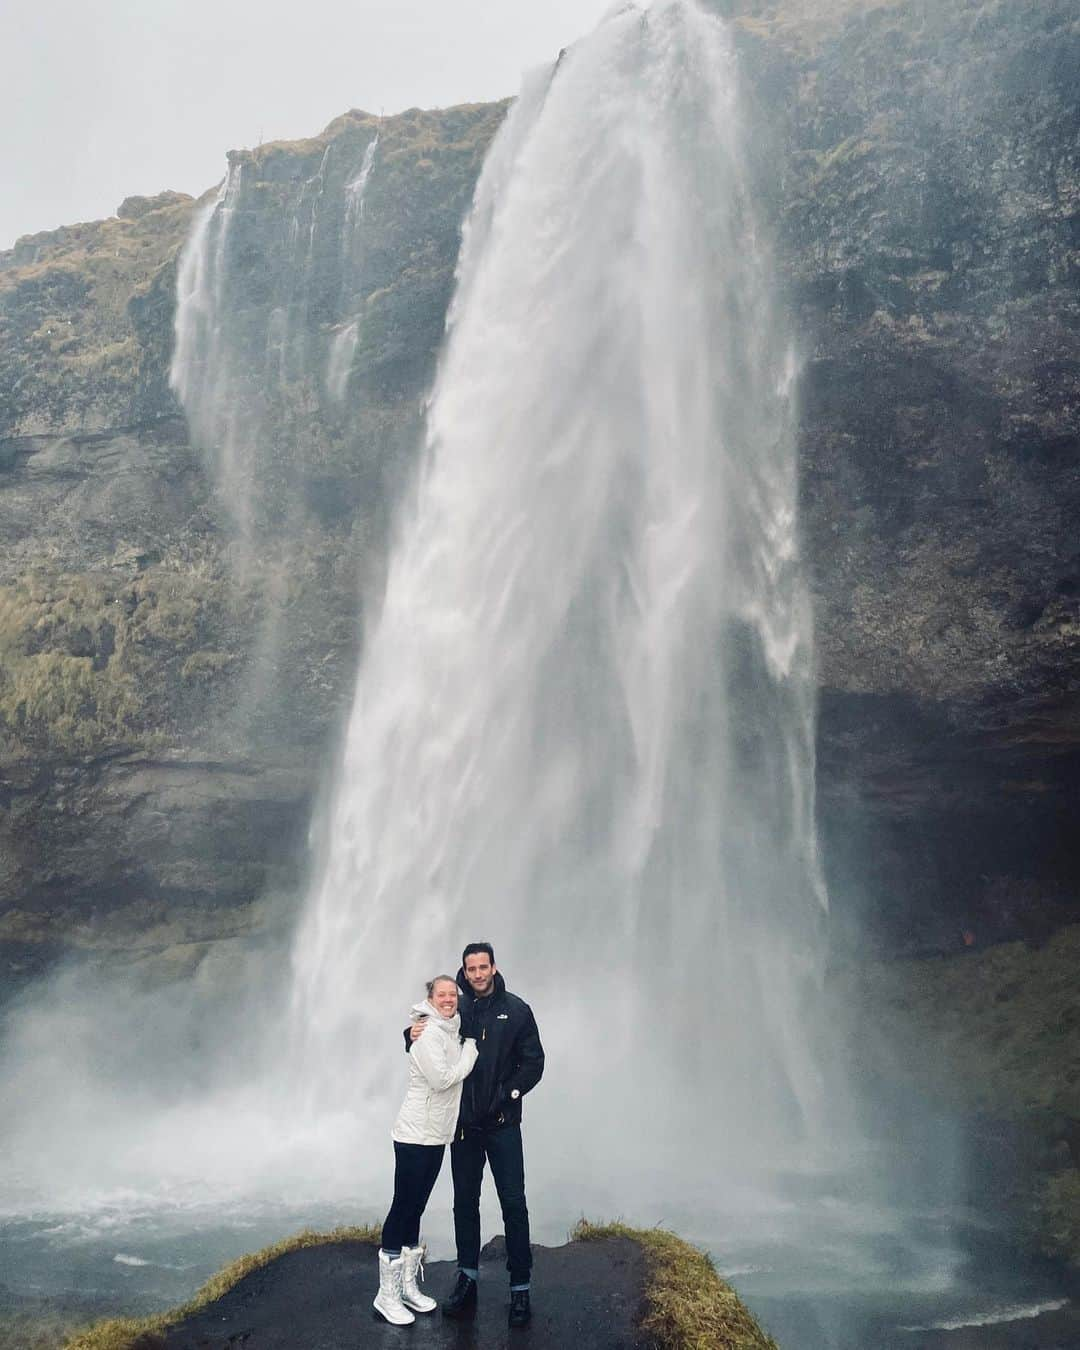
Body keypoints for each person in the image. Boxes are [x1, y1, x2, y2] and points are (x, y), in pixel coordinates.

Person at [408, 942, 544, 1328]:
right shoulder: (455, 1008)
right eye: (471, 969)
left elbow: (534, 1062)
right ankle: (467, 1277)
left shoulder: (517, 1010)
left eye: (483, 967)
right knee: (464, 1203)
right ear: (464, 971)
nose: (478, 974)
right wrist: (410, 1033)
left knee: (513, 1203)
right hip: (464, 1127)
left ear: (494, 967)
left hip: (503, 1126)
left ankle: (520, 1288)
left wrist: (508, 1094)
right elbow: (425, 1033)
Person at [374, 975, 478, 1326]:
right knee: (403, 1205)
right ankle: (385, 1296)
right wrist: (471, 1050)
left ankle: (406, 1287)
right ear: (430, 1000)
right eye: (442, 995)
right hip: (414, 1135)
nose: (449, 999)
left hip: (435, 1135)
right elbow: (443, 1079)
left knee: (416, 1208)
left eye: (453, 994)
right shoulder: (429, 1031)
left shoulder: (449, 1027)